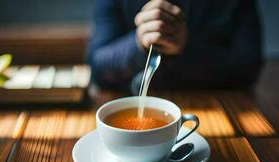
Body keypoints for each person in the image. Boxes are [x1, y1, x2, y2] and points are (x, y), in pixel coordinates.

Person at [87, 0, 262, 93]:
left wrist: (186, 47)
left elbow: (249, 68)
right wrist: (139, 43)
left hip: (217, 106)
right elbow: (96, 66)